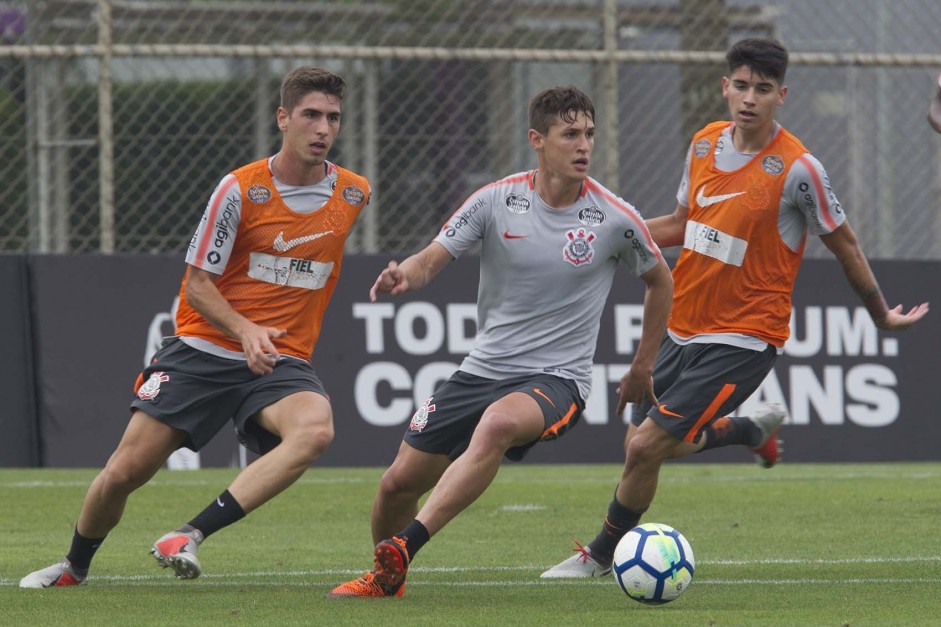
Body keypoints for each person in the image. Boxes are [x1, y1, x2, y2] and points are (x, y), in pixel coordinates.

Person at [541, 37, 929, 579]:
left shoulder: (799, 169)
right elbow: (680, 225)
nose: (750, 98)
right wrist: (607, 232)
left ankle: (600, 556)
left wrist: (880, 312)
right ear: (725, 87)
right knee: (638, 446)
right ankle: (748, 432)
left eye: (763, 89)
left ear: (781, 95)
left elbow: (846, 245)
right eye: (741, 86)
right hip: (681, 324)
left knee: (646, 446)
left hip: (744, 337)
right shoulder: (702, 145)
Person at [20, 66, 370, 588]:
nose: (323, 128)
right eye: (311, 115)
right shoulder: (238, 190)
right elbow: (198, 285)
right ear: (283, 118)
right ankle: (74, 565)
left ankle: (187, 535)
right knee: (124, 472)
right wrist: (246, 328)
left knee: (316, 430)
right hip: (203, 351)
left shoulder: (354, 194)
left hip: (279, 360)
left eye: (333, 118)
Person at [327, 86, 674, 598]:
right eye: (570, 134)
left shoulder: (614, 218)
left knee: (498, 424)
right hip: (480, 371)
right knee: (397, 484)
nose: (584, 146)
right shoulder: (495, 200)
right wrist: (405, 275)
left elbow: (660, 280)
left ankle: (406, 545)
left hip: (557, 380)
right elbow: (430, 259)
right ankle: (386, 577)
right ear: (537, 139)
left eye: (590, 135)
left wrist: (643, 365)